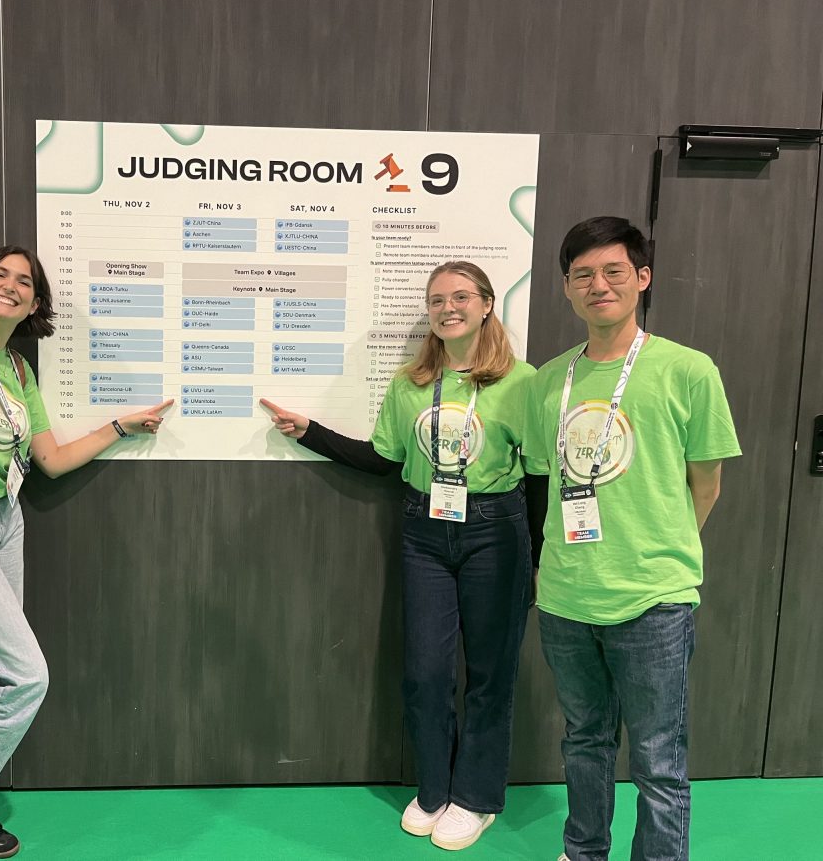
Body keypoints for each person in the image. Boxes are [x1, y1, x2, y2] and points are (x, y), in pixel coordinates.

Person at [262, 260, 541, 852]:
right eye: (436, 300)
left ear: (487, 304)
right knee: (425, 672)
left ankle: (477, 797)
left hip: (496, 532)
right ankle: (435, 789)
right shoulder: (411, 383)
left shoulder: (521, 382)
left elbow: (539, 475)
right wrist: (311, 432)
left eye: (460, 297)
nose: (447, 308)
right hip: (424, 532)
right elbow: (383, 459)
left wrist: (538, 559)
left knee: (491, 673)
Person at [0, 245, 172, 857]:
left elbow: (49, 459)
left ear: (34, 303)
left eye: (24, 281)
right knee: (25, 674)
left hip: (8, 519)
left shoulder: (19, 372)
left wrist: (119, 428)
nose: (10, 285)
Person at [522, 217, 741, 861]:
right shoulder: (548, 380)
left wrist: (660, 551)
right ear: (567, 288)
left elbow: (707, 484)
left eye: (613, 271)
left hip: (653, 597)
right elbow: (547, 480)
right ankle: (583, 850)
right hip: (566, 596)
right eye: (582, 275)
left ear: (642, 278)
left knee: (657, 758)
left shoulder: (688, 370)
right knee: (583, 741)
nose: (599, 285)